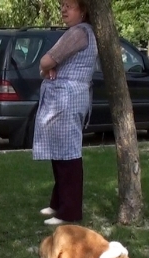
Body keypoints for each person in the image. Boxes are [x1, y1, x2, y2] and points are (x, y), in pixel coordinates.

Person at [32, 0, 98, 225]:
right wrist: (46, 68)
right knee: (60, 152)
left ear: (83, 10)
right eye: (62, 5)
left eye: (69, 5)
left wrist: (47, 66)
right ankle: (58, 202)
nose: (63, 9)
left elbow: (46, 60)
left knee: (68, 155)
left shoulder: (78, 33)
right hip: (65, 97)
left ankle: (69, 211)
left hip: (68, 98)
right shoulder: (77, 32)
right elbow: (45, 67)